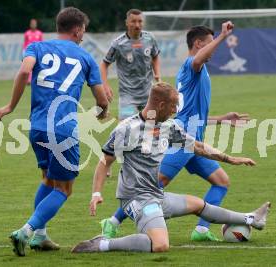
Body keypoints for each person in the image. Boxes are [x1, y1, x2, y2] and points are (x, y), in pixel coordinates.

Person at [72, 82, 270, 253]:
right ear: (161, 105)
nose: (176, 111)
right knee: (160, 245)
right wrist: (96, 193)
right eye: (174, 106)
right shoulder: (127, 129)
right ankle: (102, 244)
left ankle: (252, 219)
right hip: (135, 199)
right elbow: (104, 161)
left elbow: (198, 147)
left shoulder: (169, 126)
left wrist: (230, 159)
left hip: (156, 195)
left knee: (199, 205)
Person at [101, 22, 251, 242]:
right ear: (198, 44)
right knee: (155, 185)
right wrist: (222, 36)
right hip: (182, 141)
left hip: (193, 138)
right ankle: (112, 222)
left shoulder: (194, 71)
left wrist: (221, 120)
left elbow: (189, 114)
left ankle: (200, 230)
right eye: (210, 44)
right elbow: (198, 60)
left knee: (221, 181)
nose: (214, 50)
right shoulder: (193, 64)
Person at [0, 7, 109, 256]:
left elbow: (25, 71)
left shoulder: (38, 47)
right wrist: (103, 110)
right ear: (77, 30)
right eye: (83, 31)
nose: (83, 36)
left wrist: (10, 106)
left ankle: (41, 236)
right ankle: (26, 231)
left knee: (48, 179)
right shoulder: (86, 58)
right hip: (64, 130)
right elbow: (102, 100)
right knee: (64, 189)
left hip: (37, 127)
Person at [100, 8, 161, 120]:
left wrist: (157, 73)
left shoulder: (150, 38)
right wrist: (105, 85)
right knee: (126, 129)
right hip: (128, 97)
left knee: (152, 127)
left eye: (140, 21)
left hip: (148, 94)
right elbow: (104, 64)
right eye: (133, 21)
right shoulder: (118, 43)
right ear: (127, 23)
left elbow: (155, 56)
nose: (137, 25)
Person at [23, 18, 43, 84]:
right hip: (30, 53)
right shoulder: (27, 33)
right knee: (29, 67)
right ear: (30, 25)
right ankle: (28, 80)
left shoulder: (39, 33)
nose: (33, 25)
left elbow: (41, 43)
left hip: (37, 52)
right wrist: (24, 52)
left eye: (34, 24)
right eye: (32, 24)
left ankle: (37, 80)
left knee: (38, 66)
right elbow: (25, 43)